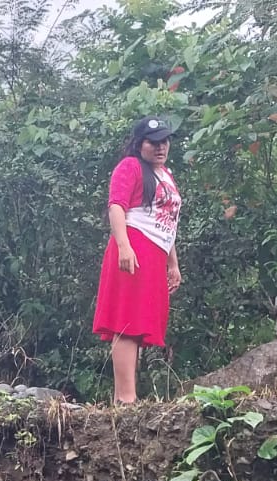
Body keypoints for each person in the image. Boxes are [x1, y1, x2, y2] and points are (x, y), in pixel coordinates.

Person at [93, 116, 184, 404]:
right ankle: (125, 397)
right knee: (127, 321)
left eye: (164, 142)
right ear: (139, 144)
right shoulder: (130, 166)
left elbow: (167, 221)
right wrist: (124, 246)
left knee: (141, 321)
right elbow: (116, 207)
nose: (160, 147)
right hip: (134, 245)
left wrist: (173, 263)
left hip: (157, 251)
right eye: (153, 142)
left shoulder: (165, 174)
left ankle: (126, 396)